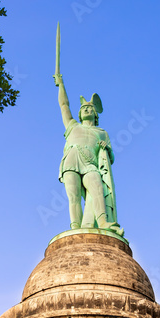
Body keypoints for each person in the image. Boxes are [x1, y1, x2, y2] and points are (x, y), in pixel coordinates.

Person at [54, 72, 123, 235]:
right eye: (83, 108)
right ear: (79, 113)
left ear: (95, 114)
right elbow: (64, 105)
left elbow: (110, 158)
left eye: (89, 108)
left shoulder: (101, 132)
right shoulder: (72, 126)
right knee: (74, 196)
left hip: (90, 164)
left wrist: (106, 148)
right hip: (71, 160)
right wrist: (61, 84)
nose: (86, 109)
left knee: (98, 189)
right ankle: (76, 228)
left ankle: (104, 222)